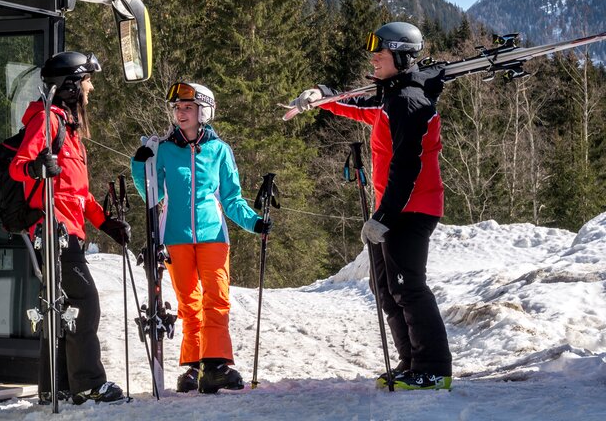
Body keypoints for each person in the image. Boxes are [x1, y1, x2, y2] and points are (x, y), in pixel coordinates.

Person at [291, 21, 453, 390]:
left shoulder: (409, 102)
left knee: (407, 286)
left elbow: (407, 166)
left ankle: (434, 367)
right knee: (385, 287)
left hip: (411, 209)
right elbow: (356, 104)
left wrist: (384, 216)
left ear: (400, 55)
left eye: (381, 53)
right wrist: (322, 95)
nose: (374, 58)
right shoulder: (389, 97)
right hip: (395, 209)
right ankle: (412, 361)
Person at [130, 82, 270, 394]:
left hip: (213, 235)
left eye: (188, 107)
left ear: (203, 111)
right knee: (188, 303)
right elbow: (153, 194)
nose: (181, 113)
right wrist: (140, 164)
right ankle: (193, 367)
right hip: (176, 236)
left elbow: (232, 199)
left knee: (217, 298)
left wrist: (255, 223)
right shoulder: (164, 150)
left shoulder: (220, 151)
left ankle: (216, 364)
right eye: (178, 107)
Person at [10, 51, 130, 405]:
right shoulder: (46, 121)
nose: (91, 87)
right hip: (53, 230)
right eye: (87, 80)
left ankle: (56, 387)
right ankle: (88, 384)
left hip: (68, 228)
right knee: (84, 303)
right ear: (71, 85)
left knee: (60, 307)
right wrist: (36, 169)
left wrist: (106, 223)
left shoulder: (67, 127)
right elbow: (20, 165)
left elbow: (78, 192)